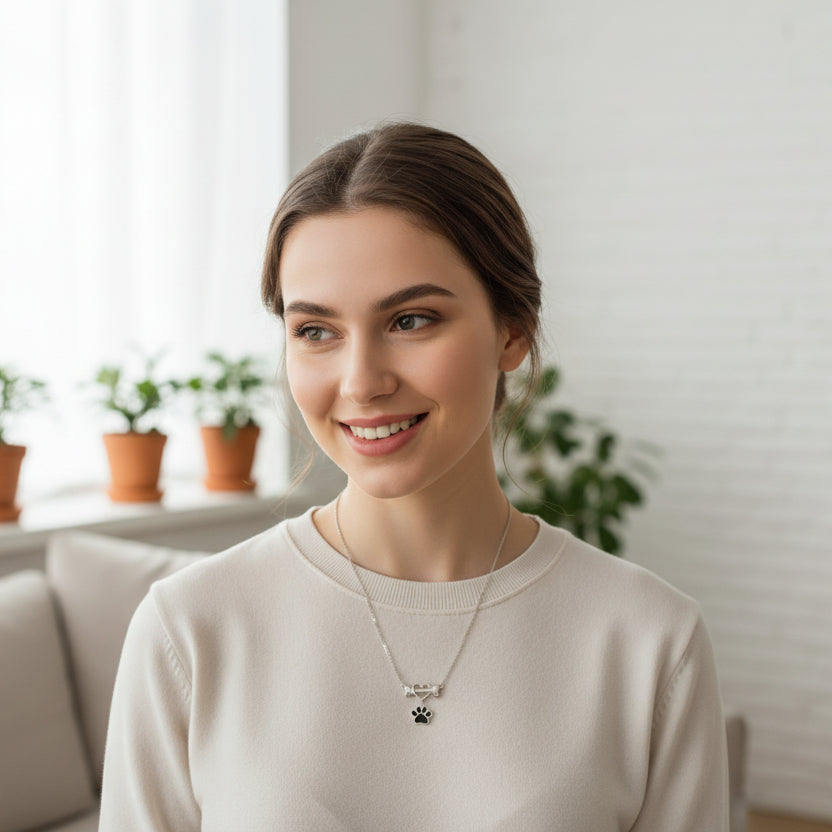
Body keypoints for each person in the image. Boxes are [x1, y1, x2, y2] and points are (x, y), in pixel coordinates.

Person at [99, 122, 729, 830]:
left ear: (513, 330)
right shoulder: (189, 632)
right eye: (315, 330)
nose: (361, 381)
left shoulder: (648, 639)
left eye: (411, 319)